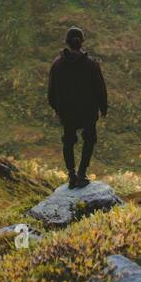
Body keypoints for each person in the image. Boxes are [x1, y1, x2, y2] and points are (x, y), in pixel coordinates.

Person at [47, 27, 108, 189]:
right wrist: (103, 108)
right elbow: (100, 88)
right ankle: (82, 173)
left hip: (67, 112)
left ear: (67, 42)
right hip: (88, 111)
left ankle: (71, 174)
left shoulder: (57, 65)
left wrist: (58, 108)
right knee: (89, 140)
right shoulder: (91, 64)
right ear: (82, 42)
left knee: (68, 141)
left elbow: (51, 93)